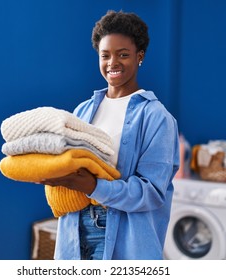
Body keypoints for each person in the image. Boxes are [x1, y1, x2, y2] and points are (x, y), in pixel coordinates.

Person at [41, 10, 179, 260]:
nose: (112, 63)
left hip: (124, 236)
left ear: (140, 57)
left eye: (123, 55)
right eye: (105, 55)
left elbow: (152, 192)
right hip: (74, 230)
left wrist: (94, 187)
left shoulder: (157, 118)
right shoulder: (82, 111)